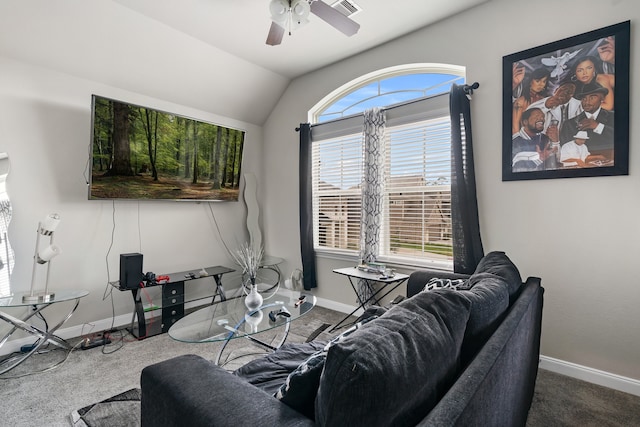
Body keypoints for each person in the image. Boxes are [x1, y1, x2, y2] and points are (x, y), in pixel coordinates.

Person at [560, 81, 614, 153]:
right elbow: (566, 151)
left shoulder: (613, 117)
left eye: (592, 98)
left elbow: (622, 138)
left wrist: (597, 126)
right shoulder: (569, 125)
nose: (587, 102)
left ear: (602, 98)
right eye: (584, 98)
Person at [512, 107, 557, 172]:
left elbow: (556, 161)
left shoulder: (545, 138)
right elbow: (516, 168)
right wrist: (540, 159)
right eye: (537, 116)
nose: (541, 119)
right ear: (525, 122)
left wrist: (555, 141)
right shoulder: (515, 142)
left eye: (543, 116)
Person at [512, 67, 551, 134]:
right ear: (530, 81)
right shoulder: (521, 101)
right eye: (537, 81)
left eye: (544, 81)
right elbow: (515, 127)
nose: (541, 84)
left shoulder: (545, 100)